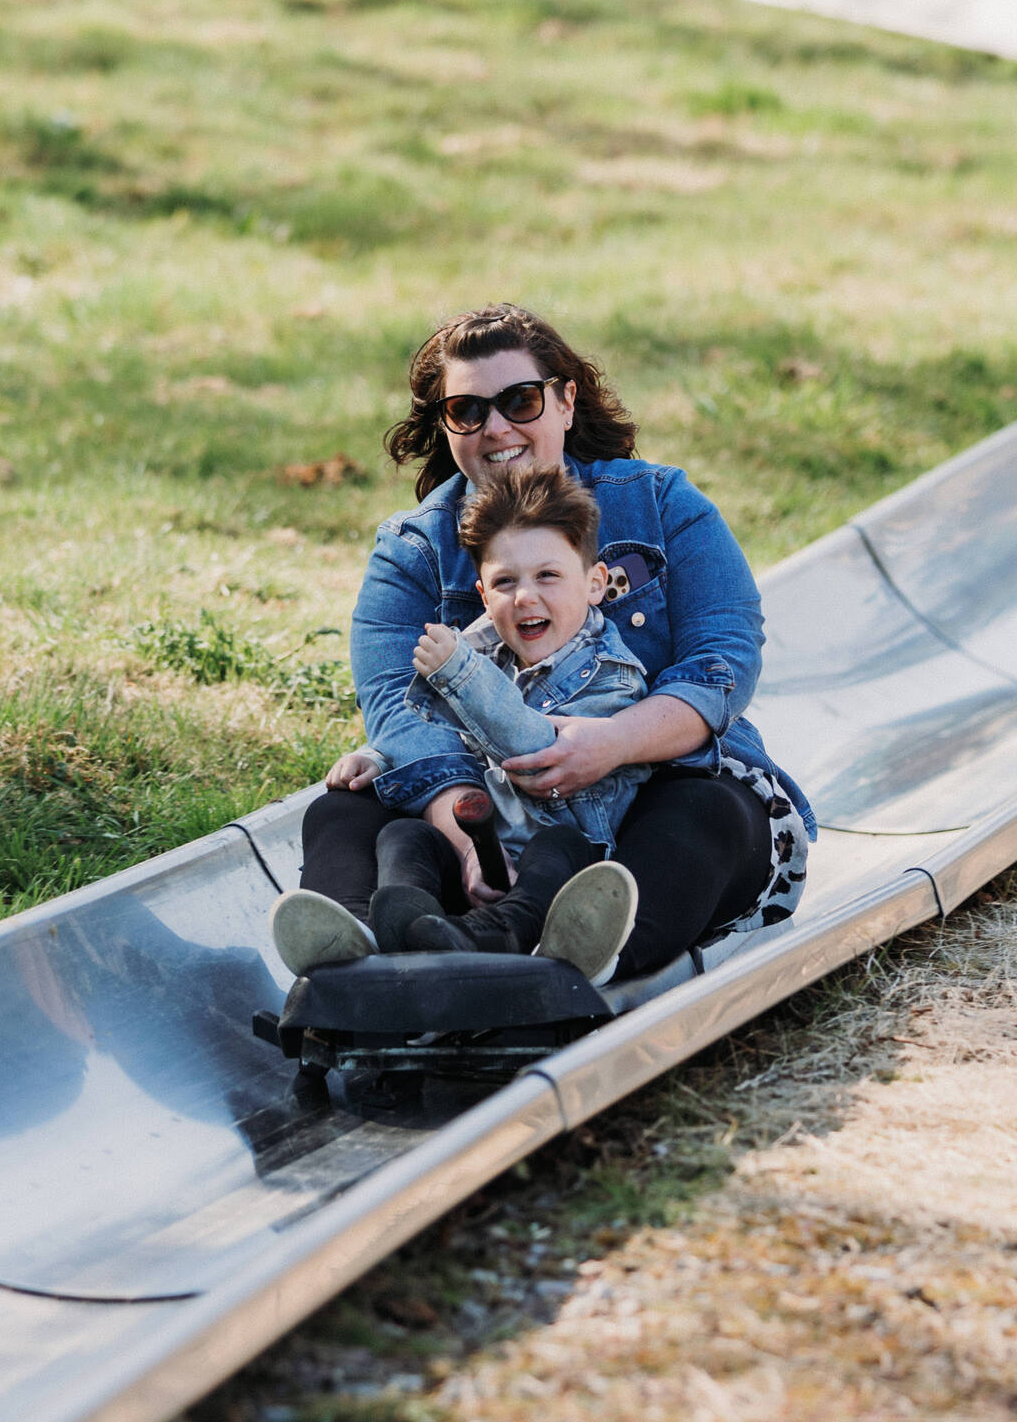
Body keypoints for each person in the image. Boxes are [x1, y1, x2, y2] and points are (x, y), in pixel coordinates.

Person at [271, 302, 811, 985]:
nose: (495, 428)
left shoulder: (663, 504)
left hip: (648, 790)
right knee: (344, 809)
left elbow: (723, 659)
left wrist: (611, 744)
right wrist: (462, 826)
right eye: (467, 411)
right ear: (446, 426)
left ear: (564, 401)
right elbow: (395, 705)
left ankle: (578, 959)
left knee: (706, 810)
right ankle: (354, 959)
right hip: (488, 806)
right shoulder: (411, 550)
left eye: (519, 401)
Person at [275, 462, 651, 974]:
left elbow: (535, 750)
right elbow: (437, 732)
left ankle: (499, 940)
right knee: (402, 837)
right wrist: (376, 759)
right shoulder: (483, 651)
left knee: (560, 848)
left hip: (556, 871)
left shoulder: (612, 673)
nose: (525, 596)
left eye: (548, 576)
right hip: (476, 853)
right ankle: (379, 939)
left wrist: (461, 674)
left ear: (594, 583)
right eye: (504, 582)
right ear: (483, 594)